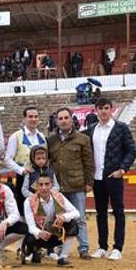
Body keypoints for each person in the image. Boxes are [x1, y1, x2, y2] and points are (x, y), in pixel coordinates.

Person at [87, 98, 136, 261]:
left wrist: (122, 169)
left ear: (112, 109)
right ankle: (102, 246)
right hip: (97, 178)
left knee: (118, 211)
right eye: (100, 108)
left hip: (113, 176)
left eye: (106, 108)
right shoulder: (91, 129)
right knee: (100, 213)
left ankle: (117, 247)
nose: (103, 111)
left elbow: (131, 151)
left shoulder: (121, 128)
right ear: (96, 110)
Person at [48, 107, 94, 260]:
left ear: (71, 119)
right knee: (59, 218)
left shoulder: (83, 139)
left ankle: (84, 247)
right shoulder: (51, 140)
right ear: (56, 121)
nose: (63, 121)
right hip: (58, 187)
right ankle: (60, 247)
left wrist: (89, 182)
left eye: (66, 118)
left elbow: (88, 162)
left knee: (79, 218)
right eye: (60, 118)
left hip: (76, 184)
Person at [22, 172, 80, 267]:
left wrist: (64, 217)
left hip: (55, 234)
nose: (44, 188)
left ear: (52, 185)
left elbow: (76, 213)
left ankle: (63, 257)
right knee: (30, 238)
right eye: (40, 184)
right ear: (36, 186)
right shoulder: (28, 201)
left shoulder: (59, 196)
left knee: (73, 225)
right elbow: (31, 226)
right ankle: (35, 251)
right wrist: (39, 233)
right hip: (39, 237)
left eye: (47, 184)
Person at [4, 106, 47, 213]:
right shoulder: (16, 136)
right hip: (24, 179)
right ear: (24, 119)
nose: (33, 119)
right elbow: (8, 159)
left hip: (41, 179)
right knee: (24, 209)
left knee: (42, 209)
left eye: (36, 116)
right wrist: (21, 170)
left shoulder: (42, 136)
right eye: (30, 116)